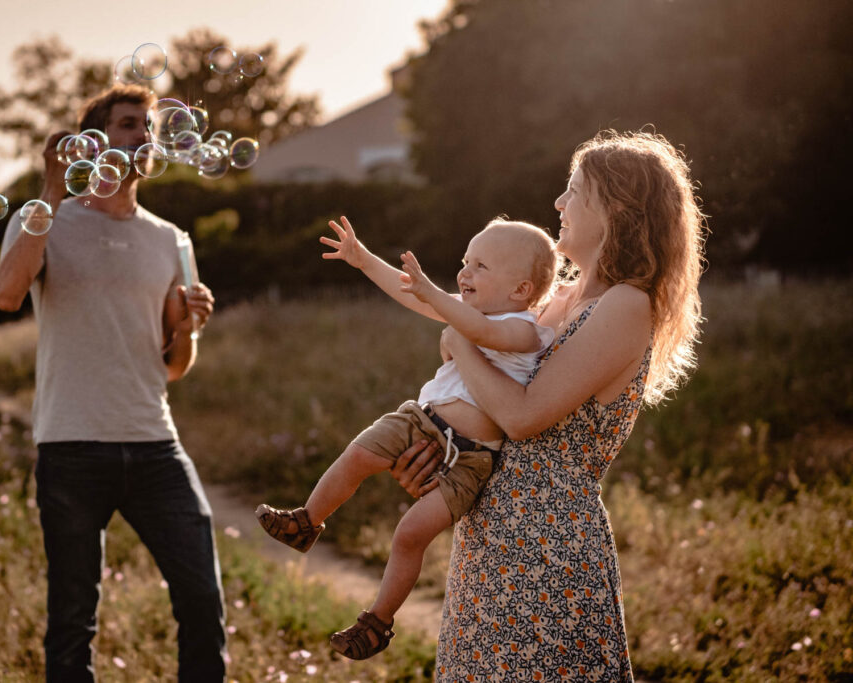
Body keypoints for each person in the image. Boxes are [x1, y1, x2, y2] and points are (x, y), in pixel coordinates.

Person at [388, 130, 706, 681]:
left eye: (574, 191)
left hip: (547, 547)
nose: (558, 203)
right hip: (489, 533)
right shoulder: (557, 298)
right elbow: (489, 398)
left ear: (615, 209)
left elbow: (523, 415)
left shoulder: (624, 304)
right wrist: (443, 456)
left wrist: (460, 345)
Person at [0, 84, 227, 682]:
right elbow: (6, 294)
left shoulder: (171, 239)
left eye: (147, 127)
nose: (141, 136)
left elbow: (171, 366)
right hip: (70, 445)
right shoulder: (43, 218)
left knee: (202, 598)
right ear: (93, 138)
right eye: (127, 124)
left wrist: (190, 328)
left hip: (154, 444)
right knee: (73, 618)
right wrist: (50, 187)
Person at [255, 217, 558, 660]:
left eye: (481, 266)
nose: (464, 273)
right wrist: (363, 261)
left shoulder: (524, 330)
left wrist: (433, 294)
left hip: (471, 459)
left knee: (409, 534)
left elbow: (482, 333)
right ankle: (306, 522)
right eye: (465, 261)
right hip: (421, 419)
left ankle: (377, 623)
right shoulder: (466, 312)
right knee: (356, 455)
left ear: (521, 291)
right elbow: (408, 292)